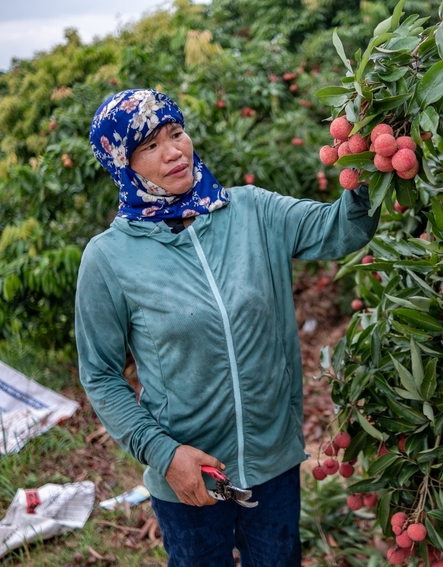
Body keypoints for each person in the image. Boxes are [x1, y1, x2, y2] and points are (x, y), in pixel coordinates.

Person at [75, 89, 378, 566]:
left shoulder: (253, 211)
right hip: (189, 477)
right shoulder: (108, 259)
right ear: (122, 165)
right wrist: (165, 455)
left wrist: (370, 159)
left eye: (176, 134)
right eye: (149, 146)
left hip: (272, 462)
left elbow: (344, 228)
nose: (173, 152)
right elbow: (100, 375)